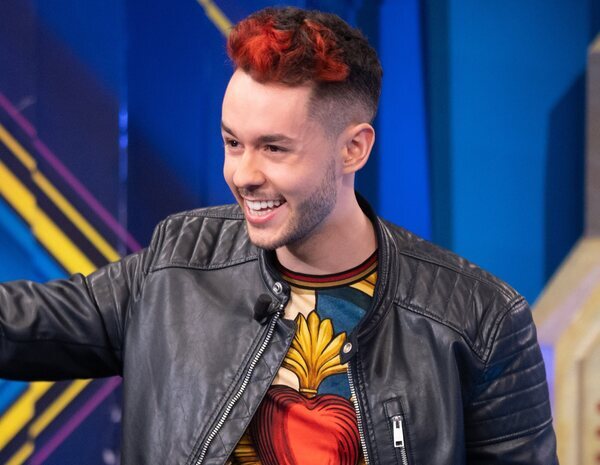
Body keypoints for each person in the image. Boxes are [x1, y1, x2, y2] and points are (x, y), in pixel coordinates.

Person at [0, 6, 557, 465]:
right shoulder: (179, 260)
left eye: (273, 148)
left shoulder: (480, 320)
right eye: (232, 143)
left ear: (354, 148)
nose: (243, 175)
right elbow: (21, 325)